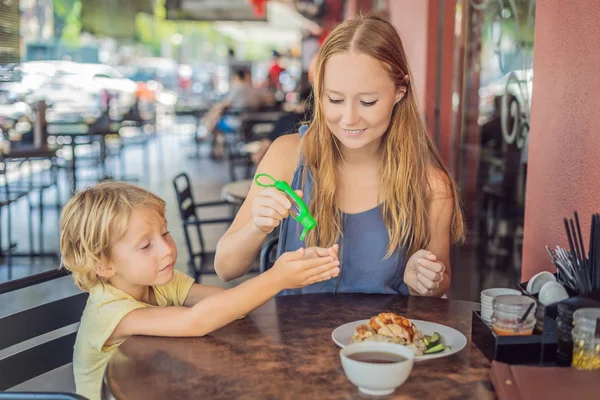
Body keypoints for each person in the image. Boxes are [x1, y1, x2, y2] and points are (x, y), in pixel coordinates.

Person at [214, 15, 464, 297]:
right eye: (334, 99)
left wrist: (424, 280)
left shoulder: (431, 185)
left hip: (382, 337)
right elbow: (225, 268)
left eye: (368, 101)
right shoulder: (287, 155)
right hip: (292, 339)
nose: (349, 118)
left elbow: (440, 282)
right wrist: (257, 228)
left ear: (399, 92)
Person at [60, 182, 339, 400]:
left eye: (165, 233)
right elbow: (197, 321)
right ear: (104, 265)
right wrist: (276, 278)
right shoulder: (109, 311)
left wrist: (288, 273)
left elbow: (227, 306)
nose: (167, 249)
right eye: (146, 246)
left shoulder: (159, 282)